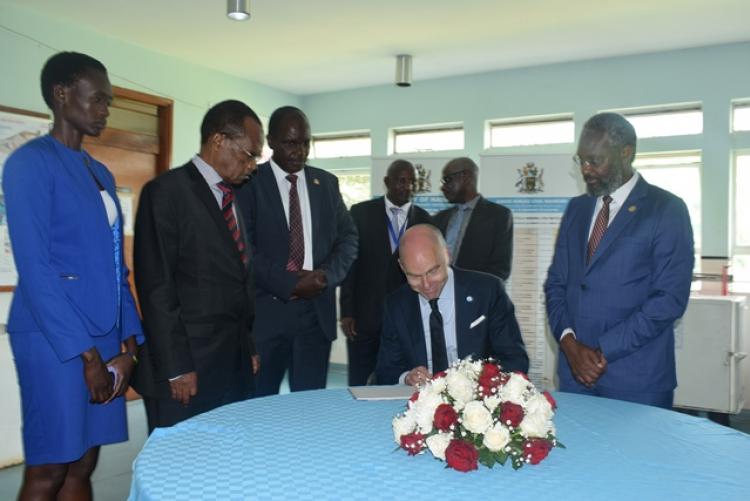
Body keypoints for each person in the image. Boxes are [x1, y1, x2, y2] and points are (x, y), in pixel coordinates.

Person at [2, 51, 143, 500]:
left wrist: (128, 347)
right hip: (55, 342)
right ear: (62, 95)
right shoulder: (29, 164)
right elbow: (37, 271)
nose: (105, 110)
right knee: (50, 467)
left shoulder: (98, 171)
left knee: (85, 462)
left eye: (108, 101)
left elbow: (115, 266)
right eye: (97, 99)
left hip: (103, 338)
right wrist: (89, 359)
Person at [544, 112, 694, 409]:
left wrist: (601, 352)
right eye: (581, 160)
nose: (586, 170)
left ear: (626, 153)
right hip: (575, 376)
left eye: (595, 160)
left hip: (637, 379)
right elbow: (556, 284)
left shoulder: (666, 209)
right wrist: (570, 346)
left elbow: (669, 299)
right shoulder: (577, 209)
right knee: (577, 456)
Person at [132, 100, 262, 431]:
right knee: (179, 468)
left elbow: (239, 280)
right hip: (188, 368)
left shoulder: (233, 198)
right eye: (249, 155)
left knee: (224, 464)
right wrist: (176, 367)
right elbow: (157, 286)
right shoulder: (166, 192)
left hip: (231, 363)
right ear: (219, 140)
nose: (253, 166)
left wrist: (247, 347)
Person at [236, 106, 357, 396]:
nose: (299, 151)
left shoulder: (326, 184)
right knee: (259, 404)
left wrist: (326, 276)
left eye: (305, 142)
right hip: (267, 318)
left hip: (315, 318)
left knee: (310, 407)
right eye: (291, 143)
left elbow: (349, 238)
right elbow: (245, 249)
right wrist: (291, 284)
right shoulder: (249, 182)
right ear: (272, 141)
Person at [375, 224, 529, 386]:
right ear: (402, 267)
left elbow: (516, 359)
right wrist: (406, 378)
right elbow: (386, 371)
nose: (426, 285)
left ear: (447, 255)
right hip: (420, 403)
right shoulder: (396, 305)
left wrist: (477, 382)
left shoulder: (487, 291)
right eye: (414, 276)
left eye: (433, 271)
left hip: (478, 400)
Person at [339, 160, 433, 386]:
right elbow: (350, 264)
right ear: (387, 182)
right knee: (360, 379)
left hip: (406, 317)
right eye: (401, 180)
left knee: (399, 378)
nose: (407, 186)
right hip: (365, 316)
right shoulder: (361, 213)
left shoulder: (425, 220)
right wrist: (347, 311)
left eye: (412, 182)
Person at [433, 157, 514, 282]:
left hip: (477, 296)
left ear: (466, 177)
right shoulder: (439, 219)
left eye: (447, 180)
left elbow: (500, 270)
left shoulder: (499, 216)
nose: (443, 187)